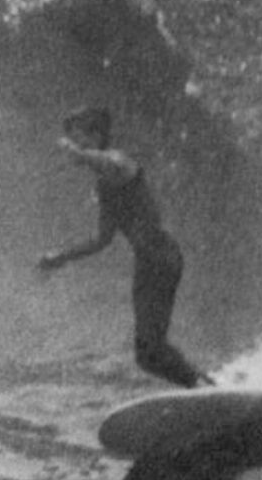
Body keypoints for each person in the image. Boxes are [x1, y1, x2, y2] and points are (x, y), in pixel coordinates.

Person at [38, 106, 213, 388]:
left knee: (153, 346)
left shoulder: (119, 162)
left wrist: (79, 154)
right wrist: (61, 256)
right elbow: (101, 240)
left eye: (79, 138)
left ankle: (203, 386)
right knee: (147, 355)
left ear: (97, 136)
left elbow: (110, 163)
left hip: (162, 257)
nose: (75, 146)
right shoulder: (104, 187)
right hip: (146, 265)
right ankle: (205, 384)